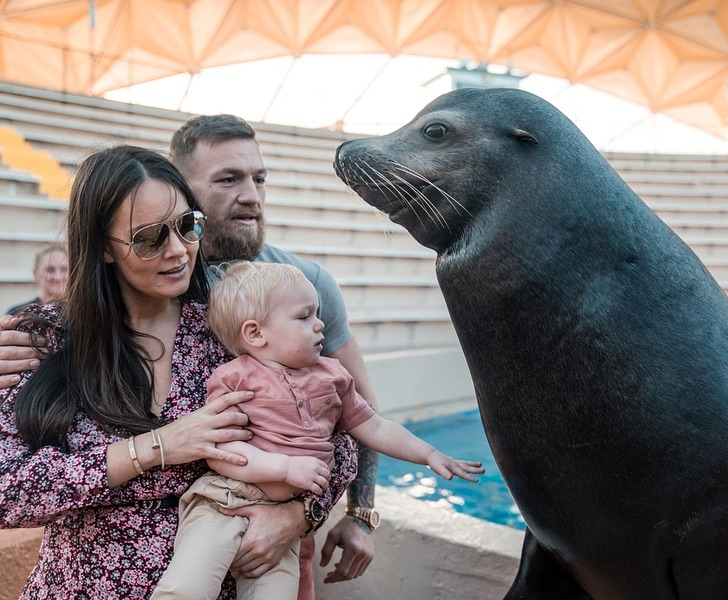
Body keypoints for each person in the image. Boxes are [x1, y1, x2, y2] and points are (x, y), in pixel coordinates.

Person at [0, 114, 383, 596]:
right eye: (149, 238)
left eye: (188, 225)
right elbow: (6, 492)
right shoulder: (43, 339)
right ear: (102, 248)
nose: (179, 250)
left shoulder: (232, 329)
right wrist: (155, 448)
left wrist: (297, 513)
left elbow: (338, 435)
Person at [152, 261, 483, 600]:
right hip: (223, 501)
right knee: (186, 589)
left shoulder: (333, 376)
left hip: (284, 522)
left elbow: (375, 426)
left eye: (316, 314)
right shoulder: (234, 378)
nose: (320, 324)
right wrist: (286, 468)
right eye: (304, 316)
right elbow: (221, 452)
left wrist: (428, 454)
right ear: (255, 333)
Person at [5, 243, 69, 315]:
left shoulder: (80, 314)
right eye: (50, 270)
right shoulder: (17, 313)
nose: (58, 277)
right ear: (36, 274)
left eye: (64, 270)